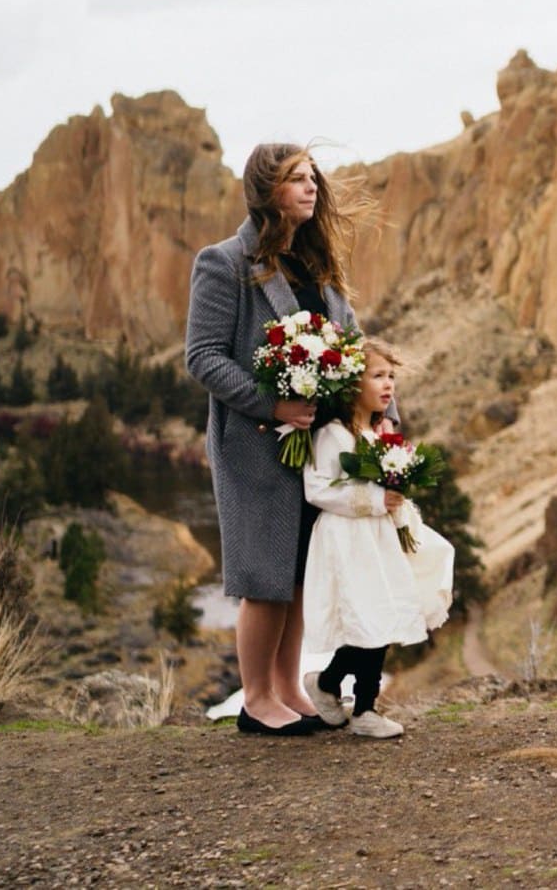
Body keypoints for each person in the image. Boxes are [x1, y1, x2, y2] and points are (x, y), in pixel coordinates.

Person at [185, 145, 365, 736]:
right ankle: (256, 699)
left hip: (313, 447)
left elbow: (353, 351)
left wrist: (372, 419)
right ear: (266, 190)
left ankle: (287, 688)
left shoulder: (318, 269)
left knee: (294, 575)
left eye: (312, 177)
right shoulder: (225, 262)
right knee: (263, 577)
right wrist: (275, 404)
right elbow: (204, 357)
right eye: (295, 179)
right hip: (254, 446)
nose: (310, 187)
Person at [301, 340, 455, 738]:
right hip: (350, 540)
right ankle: (350, 697)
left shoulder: (379, 432)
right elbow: (317, 489)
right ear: (353, 384)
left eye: (391, 377)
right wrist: (374, 498)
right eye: (378, 376)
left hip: (379, 537)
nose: (388, 385)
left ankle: (341, 692)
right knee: (369, 621)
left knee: (382, 618)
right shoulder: (334, 435)